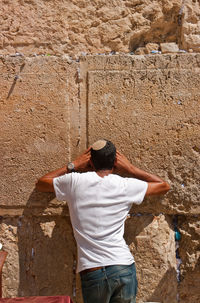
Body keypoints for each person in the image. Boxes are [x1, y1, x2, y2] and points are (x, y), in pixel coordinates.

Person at [36, 139, 170, 303]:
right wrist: (130, 168)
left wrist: (73, 165)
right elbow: (163, 186)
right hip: (123, 267)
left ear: (90, 161)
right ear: (115, 162)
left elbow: (41, 183)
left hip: (93, 270)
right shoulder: (125, 185)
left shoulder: (74, 182)